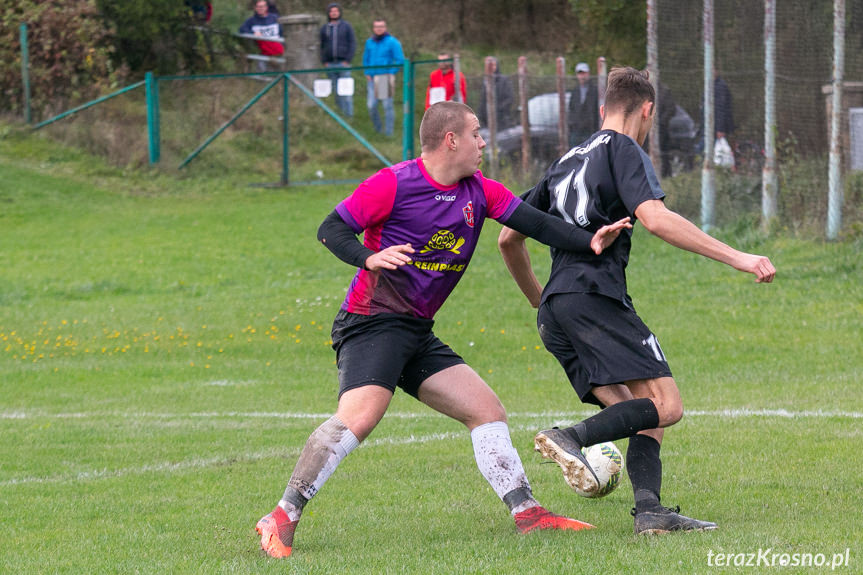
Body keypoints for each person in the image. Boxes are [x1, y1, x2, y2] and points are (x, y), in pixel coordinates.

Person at [255, 101, 634, 558]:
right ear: (450, 139)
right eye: (476, 133)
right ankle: (281, 516)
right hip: (372, 322)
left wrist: (588, 240)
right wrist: (368, 258)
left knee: (487, 411)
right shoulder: (393, 183)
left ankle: (529, 515)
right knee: (360, 417)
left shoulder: (481, 192)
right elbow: (330, 228)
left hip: (415, 330)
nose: (483, 142)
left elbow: (535, 224)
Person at [498, 67, 776, 536]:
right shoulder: (623, 148)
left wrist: (540, 303)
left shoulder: (565, 160)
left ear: (602, 108)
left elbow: (509, 238)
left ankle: (650, 512)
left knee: (643, 408)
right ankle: (571, 436)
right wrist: (738, 256)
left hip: (558, 310)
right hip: (594, 298)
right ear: (647, 110)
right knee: (667, 404)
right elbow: (656, 218)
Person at [362, 19, 404, 136]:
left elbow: (399, 60)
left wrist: (391, 72)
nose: (379, 29)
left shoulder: (392, 42)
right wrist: (367, 72)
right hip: (372, 78)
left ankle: (388, 133)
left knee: (387, 106)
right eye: (376, 27)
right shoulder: (369, 42)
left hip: (384, 78)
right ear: (373, 28)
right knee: (371, 106)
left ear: (385, 28)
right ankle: (378, 129)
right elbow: (366, 58)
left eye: (381, 26)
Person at [320, 3, 356, 118]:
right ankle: (340, 116)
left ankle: (349, 115)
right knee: (336, 91)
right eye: (331, 11)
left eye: (336, 11)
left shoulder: (346, 26)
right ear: (328, 13)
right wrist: (324, 61)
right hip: (330, 64)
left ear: (339, 12)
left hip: (343, 63)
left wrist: (347, 60)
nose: (334, 13)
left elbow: (352, 43)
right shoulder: (325, 28)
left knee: (346, 91)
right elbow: (321, 45)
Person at [238, 0, 284, 70]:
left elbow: (282, 31)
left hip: (277, 46)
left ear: (266, 7)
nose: (260, 8)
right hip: (263, 49)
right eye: (258, 7)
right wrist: (253, 33)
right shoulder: (251, 20)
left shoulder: (274, 18)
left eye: (262, 6)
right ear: (255, 8)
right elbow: (242, 29)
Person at [476, 57, 515, 130]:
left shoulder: (504, 80)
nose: (490, 67)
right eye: (488, 65)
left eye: (493, 65)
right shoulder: (485, 80)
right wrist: (480, 114)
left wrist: (498, 110)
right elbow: (482, 100)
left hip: (501, 121)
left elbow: (510, 98)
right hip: (485, 121)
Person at [567, 62, 599, 147]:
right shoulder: (575, 91)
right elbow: (571, 109)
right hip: (576, 131)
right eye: (580, 73)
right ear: (577, 75)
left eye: (584, 73)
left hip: (590, 131)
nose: (582, 76)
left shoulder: (595, 90)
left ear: (588, 74)